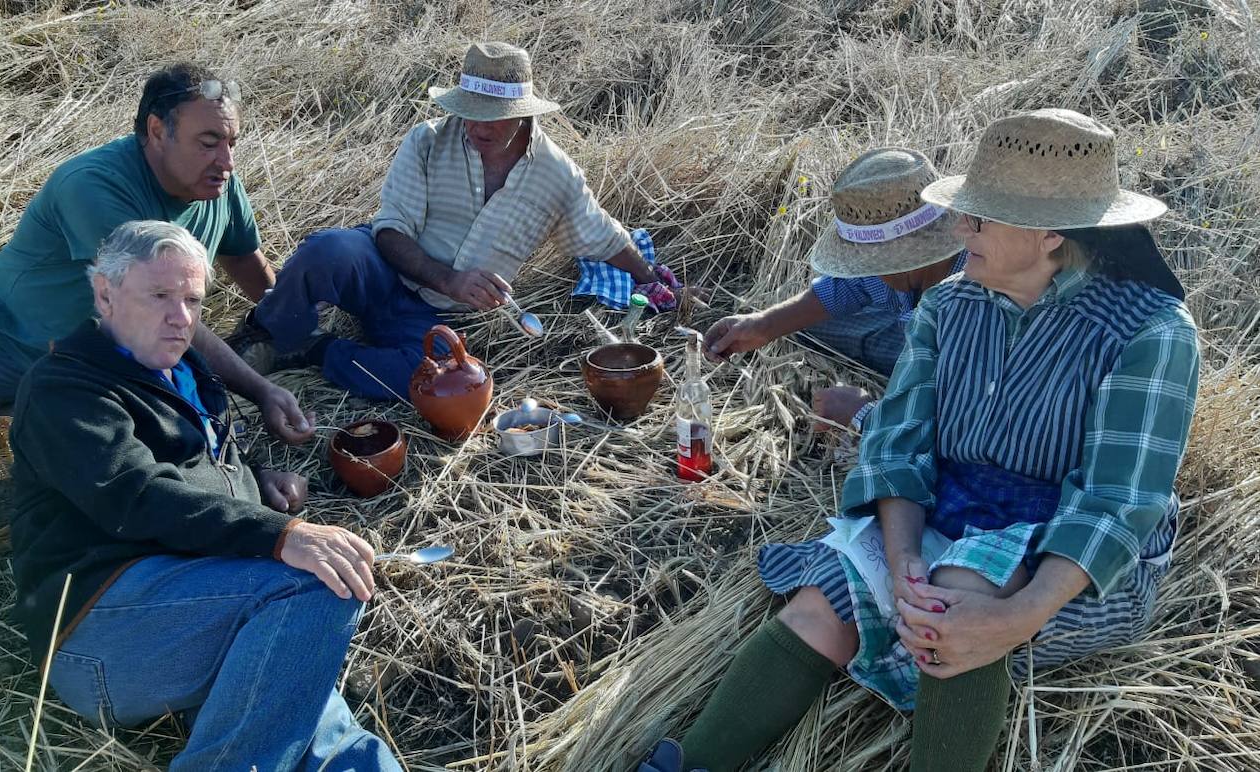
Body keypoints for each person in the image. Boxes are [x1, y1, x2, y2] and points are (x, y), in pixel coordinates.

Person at [638, 108, 1200, 772]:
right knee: (826, 599)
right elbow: (900, 442)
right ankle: (692, 761)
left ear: (1050, 234)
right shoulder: (950, 305)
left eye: (979, 218)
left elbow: (1115, 502)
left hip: (1077, 563)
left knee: (957, 604)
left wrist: (1017, 617)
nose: (960, 231)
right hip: (953, 513)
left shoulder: (1150, 333)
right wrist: (902, 556)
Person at [8, 221, 400, 771]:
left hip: (202, 597)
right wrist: (280, 534)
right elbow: (138, 495)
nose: (181, 317)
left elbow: (198, 459)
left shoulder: (180, 363)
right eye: (160, 296)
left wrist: (255, 480)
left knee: (333, 738)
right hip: (98, 632)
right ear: (104, 293)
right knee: (315, 589)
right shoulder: (64, 389)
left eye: (192, 299)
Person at [0, 62, 313, 451]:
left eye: (231, 142)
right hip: (3, 343)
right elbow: (159, 311)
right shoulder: (93, 186)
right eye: (208, 142)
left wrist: (294, 331)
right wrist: (262, 390)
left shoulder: (217, 182)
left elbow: (243, 260)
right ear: (157, 131)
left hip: (103, 361)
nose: (227, 161)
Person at [233, 42, 684, 400]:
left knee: (436, 381)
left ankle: (317, 349)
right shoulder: (428, 140)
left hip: (437, 318)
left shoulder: (556, 175)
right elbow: (390, 232)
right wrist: (450, 278)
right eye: (468, 112)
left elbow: (601, 235)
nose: (475, 126)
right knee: (328, 250)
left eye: (491, 118)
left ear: (522, 115)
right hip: (384, 273)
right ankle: (269, 332)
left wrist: (655, 282)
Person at [704, 148, 965, 432]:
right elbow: (842, 290)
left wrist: (863, 413)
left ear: (908, 252)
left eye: (870, 261)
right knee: (803, 326)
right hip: (905, 333)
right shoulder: (903, 271)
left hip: (949, 372)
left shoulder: (976, 302)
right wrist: (764, 324)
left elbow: (966, 422)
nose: (864, 270)